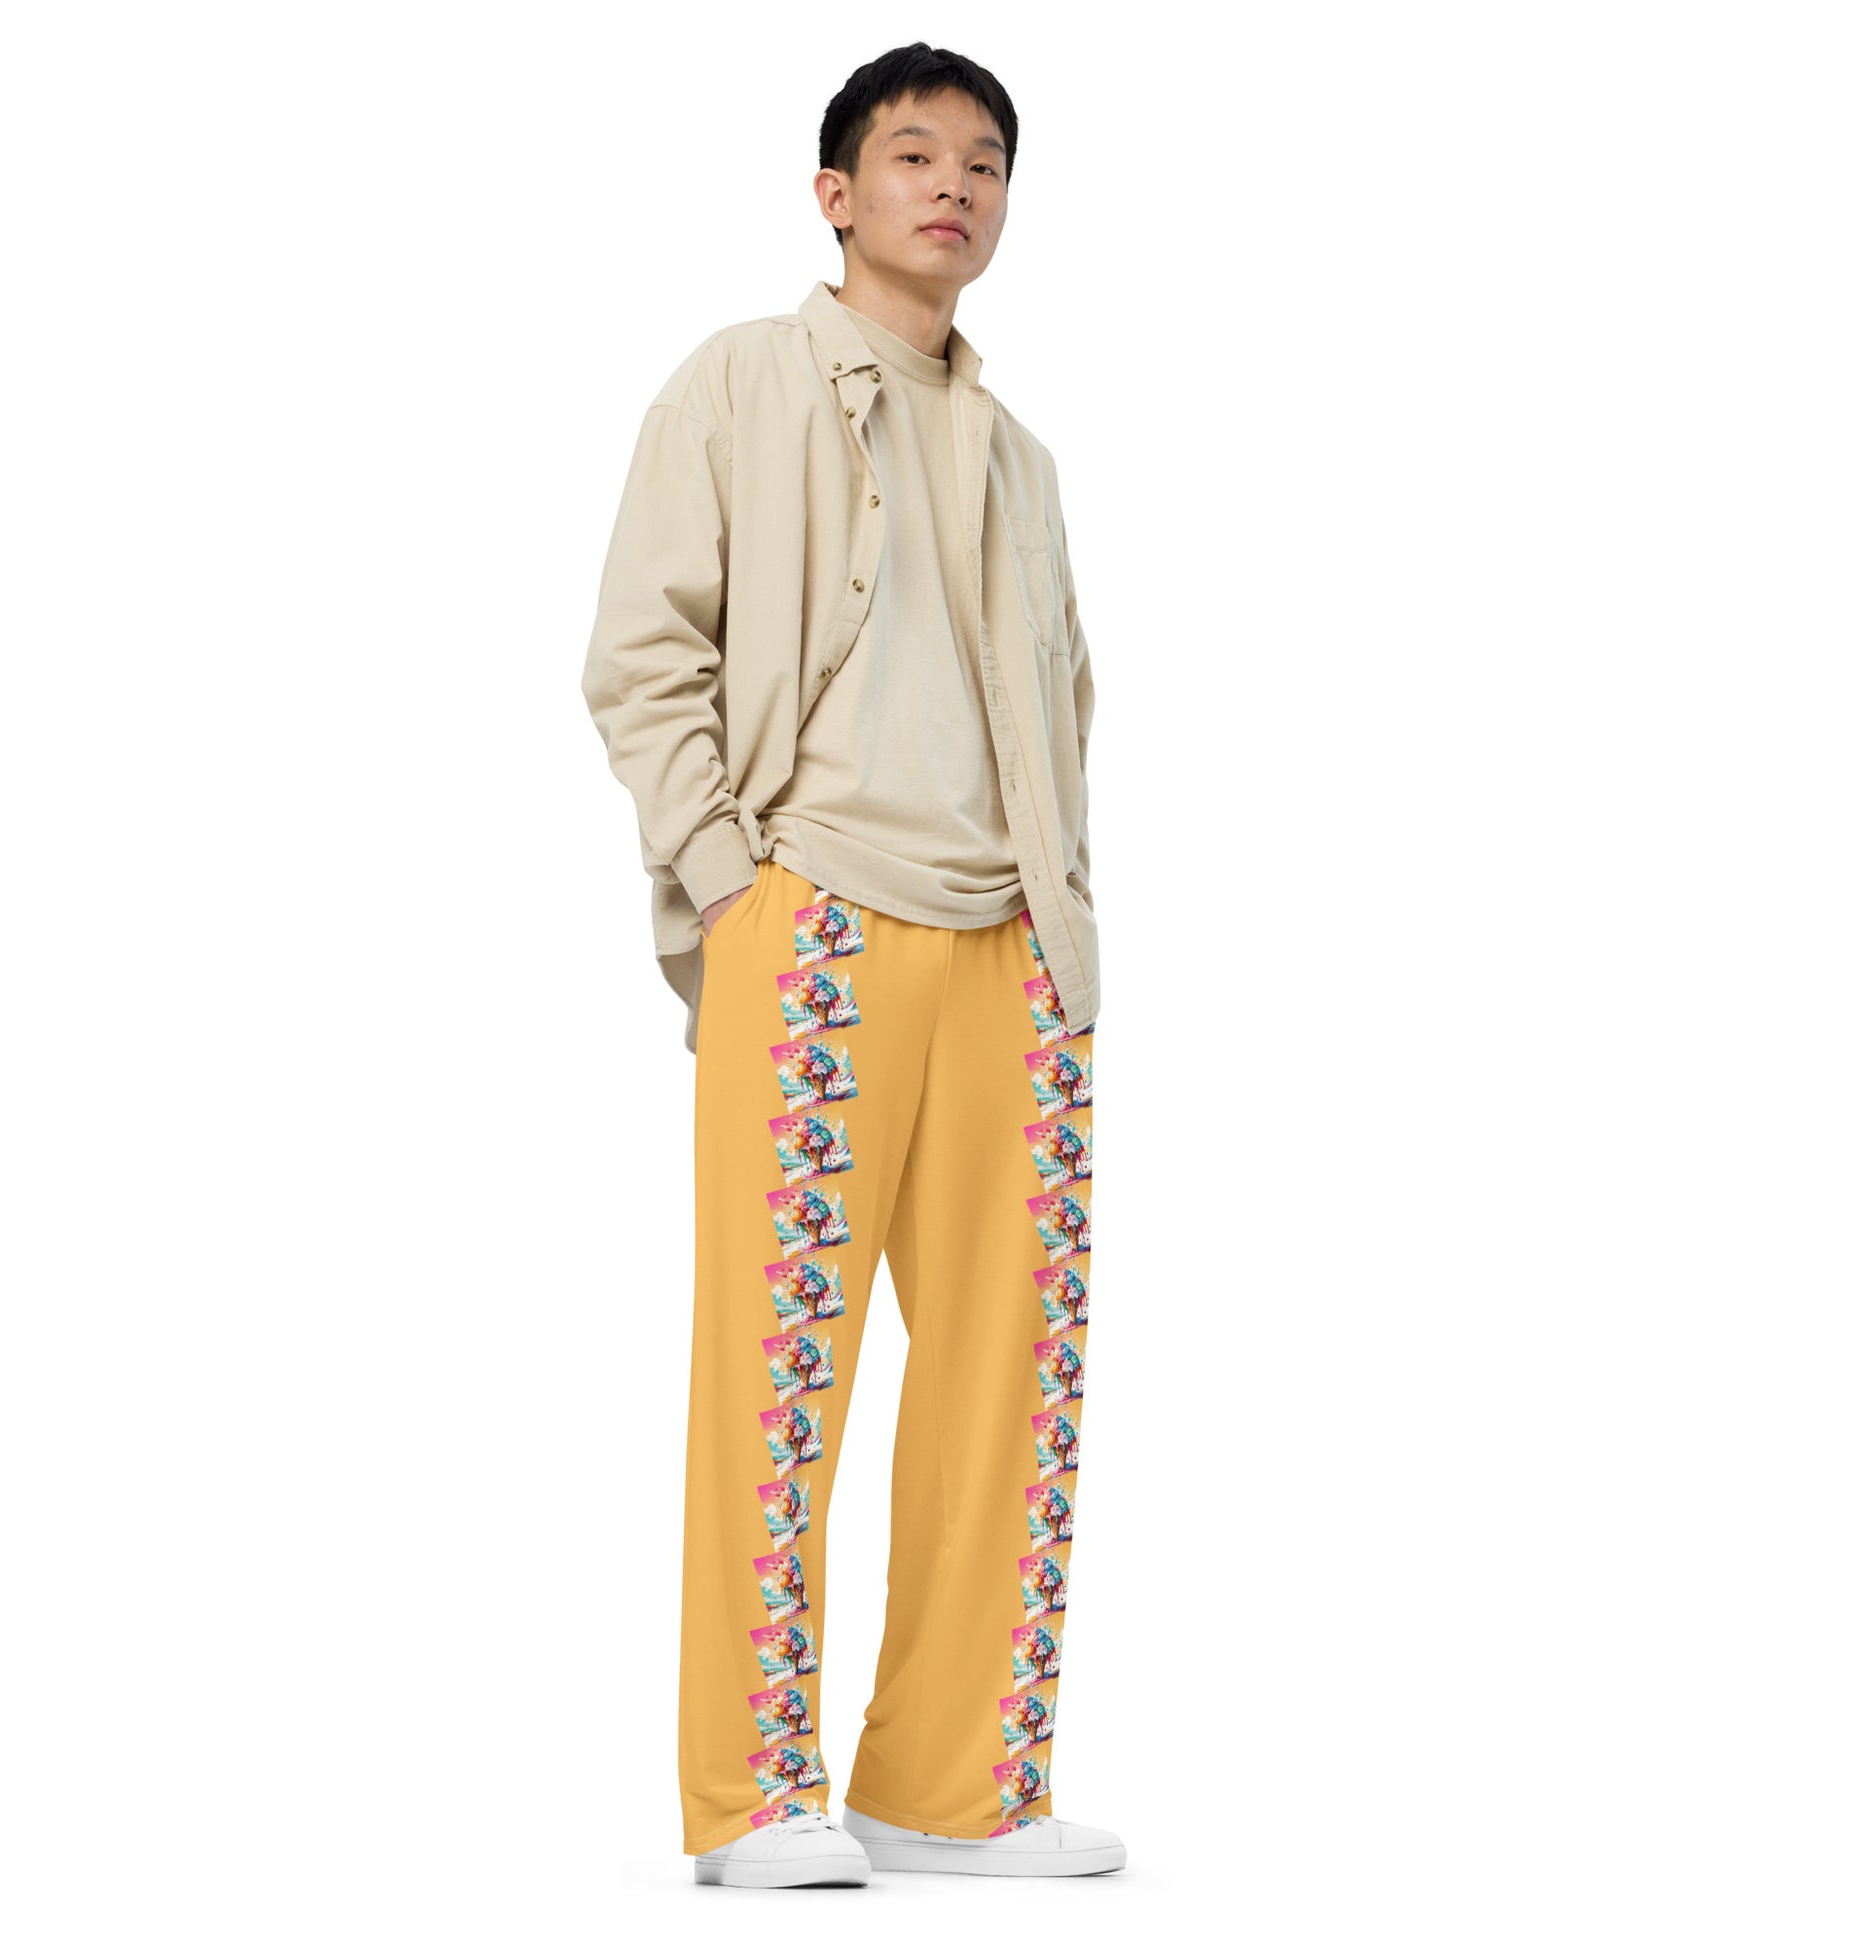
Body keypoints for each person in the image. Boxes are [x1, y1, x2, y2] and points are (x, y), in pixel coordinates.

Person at [581, 42, 1117, 1888]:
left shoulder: (1021, 457)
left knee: (1010, 1380)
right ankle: (753, 1795)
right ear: (836, 193)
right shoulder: (738, 383)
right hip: (808, 917)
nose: (952, 186)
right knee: (777, 1369)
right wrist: (729, 881)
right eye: (912, 155)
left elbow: (1063, 703)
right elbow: (640, 651)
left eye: (984, 162)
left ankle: (950, 1787)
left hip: (1012, 957)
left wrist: (1063, 924)